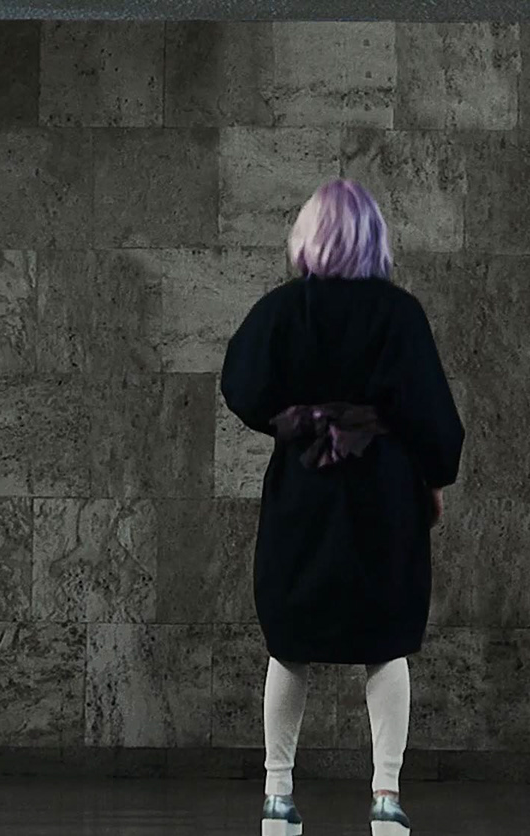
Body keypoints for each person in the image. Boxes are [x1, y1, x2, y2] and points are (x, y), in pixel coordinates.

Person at [221, 179, 464, 836]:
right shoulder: (399, 314)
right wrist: (434, 479)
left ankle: (277, 797)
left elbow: (240, 384)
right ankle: (386, 799)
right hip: (383, 495)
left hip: (302, 491)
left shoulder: (281, 310)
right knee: (387, 644)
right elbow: (433, 416)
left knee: (288, 645)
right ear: (373, 238)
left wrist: (295, 421)